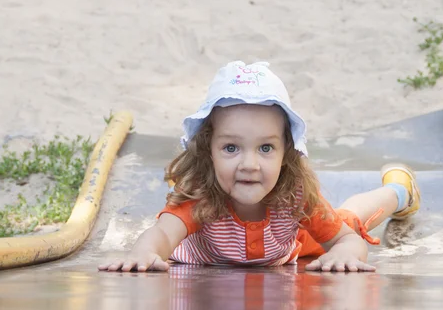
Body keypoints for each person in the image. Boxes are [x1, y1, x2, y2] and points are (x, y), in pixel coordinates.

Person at [98, 61, 421, 273]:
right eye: (231, 148)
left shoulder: (294, 199)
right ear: (208, 151)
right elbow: (160, 235)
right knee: (341, 219)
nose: (249, 164)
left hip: (288, 247)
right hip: (243, 258)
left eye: (265, 148)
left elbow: (346, 241)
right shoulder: (201, 198)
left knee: (347, 219)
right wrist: (143, 254)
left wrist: (345, 254)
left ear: (287, 153)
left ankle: (398, 190)